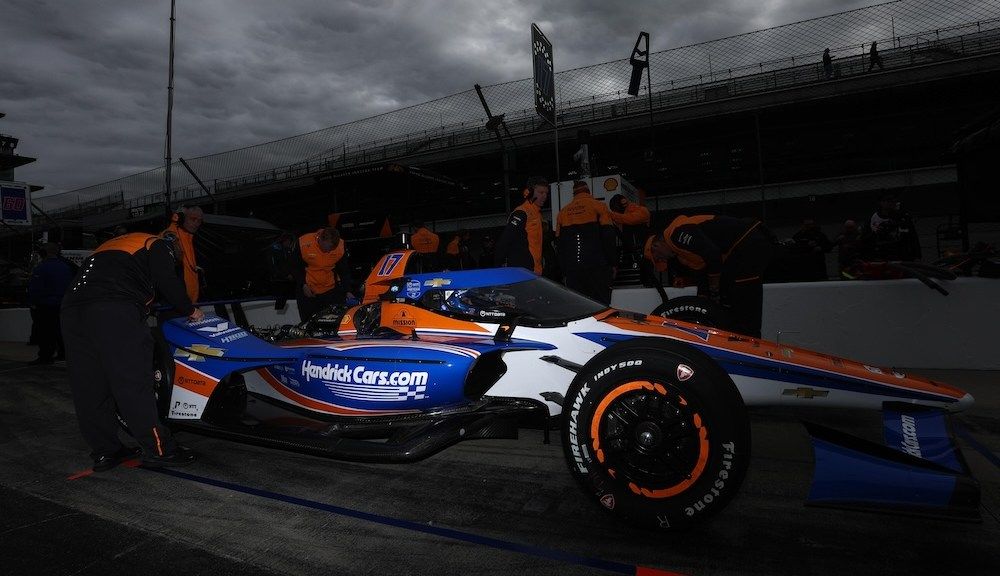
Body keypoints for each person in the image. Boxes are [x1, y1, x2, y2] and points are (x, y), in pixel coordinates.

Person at [61, 232, 201, 470]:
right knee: (133, 381)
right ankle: (159, 449)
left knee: (90, 386)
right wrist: (189, 309)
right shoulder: (157, 244)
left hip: (71, 311)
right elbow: (166, 278)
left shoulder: (108, 245)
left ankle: (106, 451)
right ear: (174, 247)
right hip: (113, 308)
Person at [644, 215, 773, 337]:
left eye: (658, 257)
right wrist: (703, 300)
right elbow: (702, 274)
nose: (662, 259)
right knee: (732, 294)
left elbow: (713, 255)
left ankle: (751, 342)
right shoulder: (682, 254)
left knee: (743, 293)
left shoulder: (676, 234)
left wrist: (714, 285)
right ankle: (743, 337)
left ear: (656, 245)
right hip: (740, 249)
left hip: (748, 240)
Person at [555, 180, 618, 304]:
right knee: (600, 305)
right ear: (589, 192)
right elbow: (609, 237)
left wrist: (564, 271)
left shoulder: (562, 213)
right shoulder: (599, 206)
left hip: (573, 271)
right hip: (598, 267)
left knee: (578, 306)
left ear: (574, 194)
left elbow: (559, 245)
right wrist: (613, 263)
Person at [27, 242, 75, 365]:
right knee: (59, 330)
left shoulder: (42, 268)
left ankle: (45, 356)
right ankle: (62, 353)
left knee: (45, 332)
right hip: (62, 303)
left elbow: (35, 288)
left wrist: (33, 302)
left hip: (45, 304)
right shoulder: (65, 267)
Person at [295, 227, 354, 323]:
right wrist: (303, 284)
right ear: (320, 239)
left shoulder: (340, 247)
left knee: (335, 322)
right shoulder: (304, 243)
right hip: (308, 291)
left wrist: (347, 290)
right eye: (326, 248)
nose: (328, 251)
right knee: (308, 323)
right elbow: (295, 267)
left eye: (331, 249)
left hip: (330, 291)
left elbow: (344, 271)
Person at [495, 176, 550, 275]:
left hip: (535, 270)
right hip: (524, 271)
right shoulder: (521, 212)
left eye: (546, 193)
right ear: (529, 192)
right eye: (541, 192)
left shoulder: (537, 214)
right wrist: (497, 266)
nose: (544, 196)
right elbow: (505, 240)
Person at [162, 205, 205, 303]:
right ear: (180, 218)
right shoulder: (170, 237)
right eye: (193, 219)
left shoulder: (188, 237)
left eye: (199, 220)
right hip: (176, 305)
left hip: (188, 304)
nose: (197, 223)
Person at [867, 193, 921, 261]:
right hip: (881, 255)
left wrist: (917, 255)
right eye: (887, 200)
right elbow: (869, 238)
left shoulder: (903, 217)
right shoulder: (873, 219)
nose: (891, 203)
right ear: (881, 202)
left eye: (892, 201)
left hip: (901, 254)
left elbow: (912, 236)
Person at [609, 193, 652, 266]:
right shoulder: (622, 218)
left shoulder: (642, 211)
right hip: (631, 252)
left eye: (616, 210)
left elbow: (632, 219)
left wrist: (611, 215)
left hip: (642, 251)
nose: (615, 212)